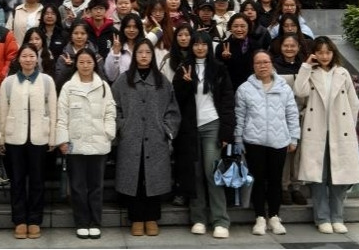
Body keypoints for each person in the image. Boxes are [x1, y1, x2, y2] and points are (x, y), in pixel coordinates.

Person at [112, 39, 181, 237]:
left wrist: (167, 130)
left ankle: (152, 218)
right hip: (130, 138)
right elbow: (113, 107)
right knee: (135, 178)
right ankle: (136, 218)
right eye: (140, 52)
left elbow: (172, 110)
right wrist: (122, 126)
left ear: (152, 56)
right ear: (135, 55)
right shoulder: (123, 80)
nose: (144, 56)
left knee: (153, 178)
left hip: (156, 137)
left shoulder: (162, 81)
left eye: (148, 53)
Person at [294, 36, 359, 235]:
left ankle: (337, 217)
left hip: (340, 131)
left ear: (333, 53)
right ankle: (322, 218)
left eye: (328, 52)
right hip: (316, 131)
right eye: (320, 52)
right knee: (318, 177)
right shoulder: (310, 72)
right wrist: (306, 66)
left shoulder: (342, 72)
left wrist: (349, 126)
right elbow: (299, 91)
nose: (324, 56)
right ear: (314, 53)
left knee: (339, 177)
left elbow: (354, 102)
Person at [171, 30, 234, 239]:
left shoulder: (219, 69)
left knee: (211, 171)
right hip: (190, 127)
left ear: (209, 46)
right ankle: (198, 218)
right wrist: (185, 84)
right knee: (195, 173)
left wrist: (226, 131)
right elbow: (176, 101)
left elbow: (227, 101)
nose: (199, 47)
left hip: (212, 124)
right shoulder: (183, 68)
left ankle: (220, 220)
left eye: (203, 44)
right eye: (196, 44)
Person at [234, 50, 300, 237]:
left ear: (272, 64)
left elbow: (292, 114)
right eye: (258, 63)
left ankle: (274, 216)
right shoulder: (245, 89)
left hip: (279, 141)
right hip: (254, 141)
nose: (262, 66)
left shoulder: (284, 87)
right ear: (253, 66)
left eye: (266, 62)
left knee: (275, 180)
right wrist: (238, 138)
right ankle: (260, 217)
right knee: (257, 180)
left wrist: (294, 137)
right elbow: (240, 115)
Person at [0, 44, 57, 240]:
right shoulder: (9, 82)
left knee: (37, 181)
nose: (28, 59)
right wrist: (1, 139)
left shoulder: (47, 81)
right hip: (14, 138)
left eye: (32, 56)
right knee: (17, 181)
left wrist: (52, 137)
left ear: (37, 59)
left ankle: (34, 220)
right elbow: (2, 111)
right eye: (24, 56)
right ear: (18, 59)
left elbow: (53, 111)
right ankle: (19, 220)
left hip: (39, 138)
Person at [56, 48, 116, 240]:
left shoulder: (103, 86)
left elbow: (110, 112)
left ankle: (95, 222)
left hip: (99, 142)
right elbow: (61, 115)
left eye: (89, 62)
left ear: (94, 64)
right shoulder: (68, 87)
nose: (85, 65)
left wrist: (109, 133)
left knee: (96, 186)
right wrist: (62, 139)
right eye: (81, 62)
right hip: (75, 144)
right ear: (76, 64)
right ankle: (82, 222)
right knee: (77, 186)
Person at [271, 33, 307, 206]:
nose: (289, 49)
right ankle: (283, 186)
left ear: (298, 47)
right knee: (285, 152)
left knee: (299, 152)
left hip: (302, 114)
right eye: (286, 45)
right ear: (280, 47)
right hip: (282, 116)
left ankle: (296, 186)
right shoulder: (274, 66)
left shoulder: (305, 66)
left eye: (293, 46)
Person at [216, 14, 256, 89]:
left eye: (243, 26)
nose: (239, 29)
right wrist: (224, 59)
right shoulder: (222, 47)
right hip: (230, 88)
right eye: (235, 26)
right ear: (230, 27)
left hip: (252, 87)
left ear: (248, 27)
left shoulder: (256, 45)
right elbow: (217, 72)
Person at [103, 13, 144, 83]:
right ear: (123, 28)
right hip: (122, 86)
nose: (131, 30)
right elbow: (110, 76)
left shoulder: (144, 46)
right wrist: (115, 54)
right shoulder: (117, 47)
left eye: (135, 27)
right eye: (128, 27)